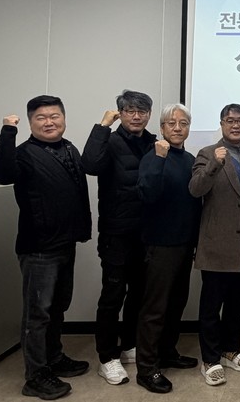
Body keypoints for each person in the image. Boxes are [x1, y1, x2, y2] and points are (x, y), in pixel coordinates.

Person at [0, 95, 92, 400]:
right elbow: (1, 174)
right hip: (38, 248)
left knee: (57, 307)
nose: (49, 122)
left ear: (64, 118)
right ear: (31, 122)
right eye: (41, 118)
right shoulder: (22, 153)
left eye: (54, 116)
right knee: (37, 315)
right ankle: (35, 376)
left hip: (65, 243)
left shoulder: (69, 148)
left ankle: (53, 358)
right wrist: (8, 132)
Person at [82, 90, 156, 385]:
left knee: (139, 294)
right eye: (130, 111)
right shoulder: (109, 141)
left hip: (146, 233)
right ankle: (107, 357)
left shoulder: (154, 143)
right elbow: (89, 165)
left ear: (149, 115)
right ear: (120, 113)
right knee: (112, 297)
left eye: (142, 111)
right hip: (116, 233)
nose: (136, 116)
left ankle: (128, 345)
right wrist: (102, 126)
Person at [189, 103, 240, 387]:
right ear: (221, 124)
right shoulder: (208, 153)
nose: (236, 125)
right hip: (218, 242)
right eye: (230, 120)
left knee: (237, 300)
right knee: (212, 303)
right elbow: (195, 189)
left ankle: (230, 349)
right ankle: (210, 359)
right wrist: (213, 166)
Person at [135, 103, 201, 394]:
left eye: (183, 123)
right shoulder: (153, 156)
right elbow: (147, 194)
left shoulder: (189, 159)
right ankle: (147, 368)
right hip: (160, 245)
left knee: (176, 303)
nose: (177, 128)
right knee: (155, 309)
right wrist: (160, 158)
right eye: (171, 123)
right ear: (162, 128)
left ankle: (167, 352)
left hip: (184, 243)